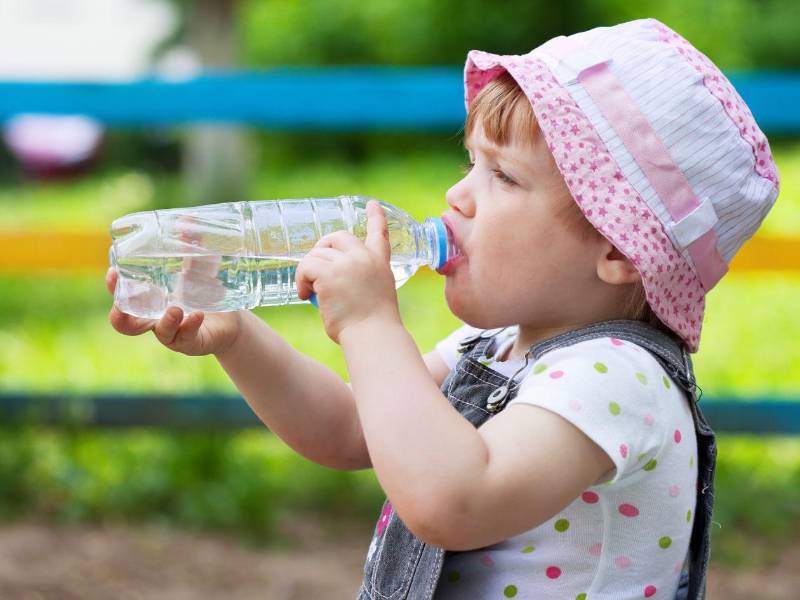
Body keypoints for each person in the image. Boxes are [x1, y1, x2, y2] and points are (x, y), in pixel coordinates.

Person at [106, 18, 779, 600]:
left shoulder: (618, 378)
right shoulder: (493, 346)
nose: (458, 197)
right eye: (471, 164)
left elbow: (453, 499)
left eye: (503, 177)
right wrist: (237, 336)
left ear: (620, 250)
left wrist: (371, 325)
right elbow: (349, 429)